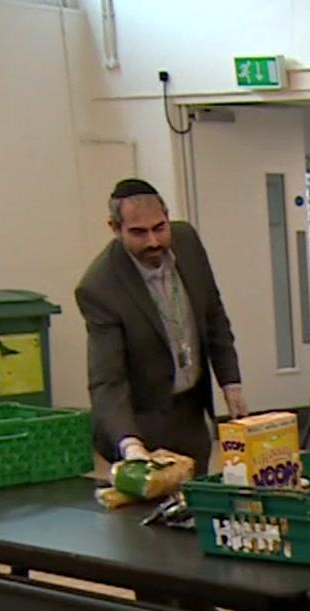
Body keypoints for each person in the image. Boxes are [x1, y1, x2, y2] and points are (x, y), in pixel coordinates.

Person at [76, 178, 248, 472]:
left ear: (168, 218)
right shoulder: (99, 287)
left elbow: (213, 314)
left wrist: (230, 383)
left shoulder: (188, 242)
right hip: (144, 424)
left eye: (159, 228)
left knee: (196, 504)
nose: (153, 241)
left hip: (191, 413)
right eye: (138, 233)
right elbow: (107, 378)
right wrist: (131, 445)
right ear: (115, 229)